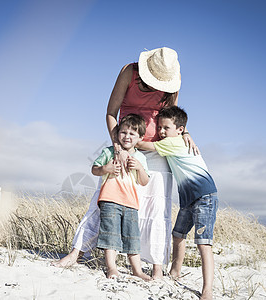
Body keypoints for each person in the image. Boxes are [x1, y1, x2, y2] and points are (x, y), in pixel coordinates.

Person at [52, 47, 199, 279]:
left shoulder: (174, 79)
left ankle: (156, 267)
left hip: (157, 148)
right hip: (126, 143)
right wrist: (119, 148)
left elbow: (172, 113)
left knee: (157, 207)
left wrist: (185, 132)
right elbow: (111, 112)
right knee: (106, 198)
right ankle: (77, 253)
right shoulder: (129, 72)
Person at [137, 106, 218, 300]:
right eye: (159, 128)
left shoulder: (174, 142)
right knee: (178, 235)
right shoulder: (179, 138)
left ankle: (207, 290)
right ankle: (175, 271)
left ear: (179, 130)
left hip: (204, 196)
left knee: (203, 244)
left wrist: (126, 138)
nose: (161, 132)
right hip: (189, 198)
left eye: (166, 128)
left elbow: (145, 146)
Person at [92, 113, 151, 280]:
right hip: (110, 199)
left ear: (140, 137)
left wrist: (139, 168)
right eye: (123, 132)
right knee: (110, 234)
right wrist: (105, 169)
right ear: (117, 134)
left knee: (132, 237)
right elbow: (94, 169)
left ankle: (137, 270)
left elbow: (144, 181)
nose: (127, 137)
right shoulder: (109, 152)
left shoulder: (140, 157)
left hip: (131, 202)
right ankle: (111, 267)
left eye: (132, 134)